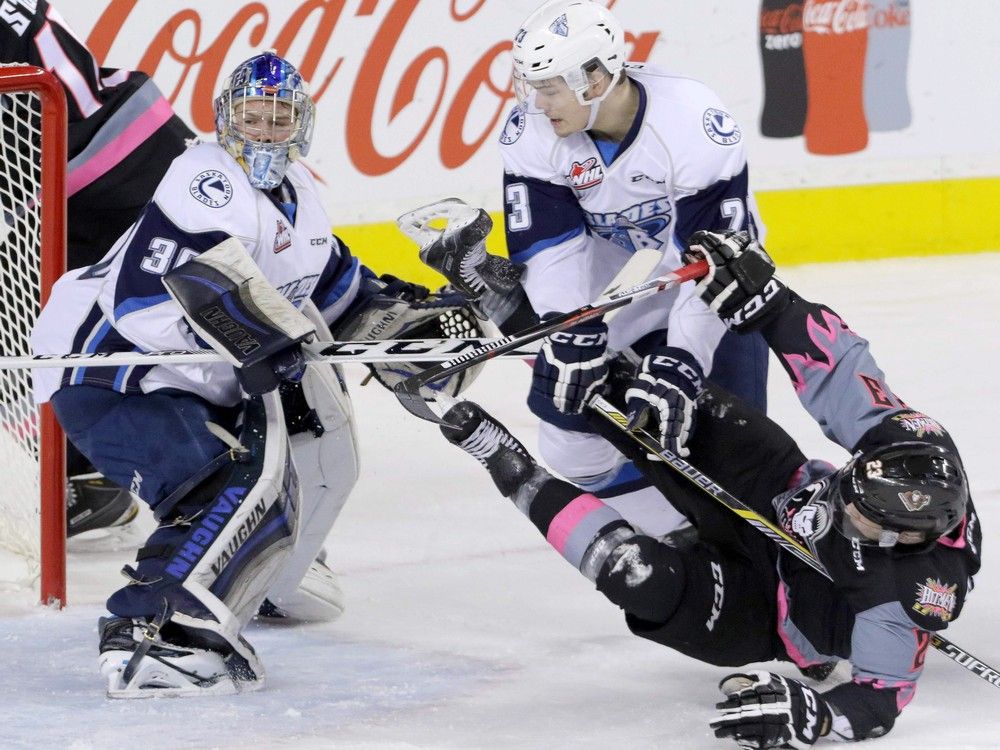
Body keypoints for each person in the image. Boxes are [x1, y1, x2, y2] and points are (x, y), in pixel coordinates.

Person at [29, 51, 482, 697]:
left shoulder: (300, 198)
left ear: (300, 124)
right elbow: (143, 304)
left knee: (282, 470)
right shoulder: (203, 179)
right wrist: (260, 342)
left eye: (278, 118)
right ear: (226, 119)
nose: (264, 130)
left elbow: (340, 294)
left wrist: (407, 333)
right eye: (251, 116)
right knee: (215, 485)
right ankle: (154, 634)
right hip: (114, 371)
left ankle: (261, 576)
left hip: (186, 380)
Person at [436, 229, 981, 746]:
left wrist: (817, 716)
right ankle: (512, 309)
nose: (841, 509)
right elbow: (840, 369)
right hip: (777, 487)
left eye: (859, 521)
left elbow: (878, 702)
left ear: (901, 541)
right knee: (647, 406)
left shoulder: (907, 598)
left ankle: (510, 469)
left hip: (769, 611)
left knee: (638, 576)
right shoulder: (908, 446)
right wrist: (774, 304)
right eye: (848, 493)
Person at [416, 0, 769, 539]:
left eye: (551, 87)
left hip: (712, 290)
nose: (538, 102)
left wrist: (683, 357)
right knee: (565, 422)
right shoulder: (532, 132)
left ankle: (758, 565)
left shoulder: (693, 122)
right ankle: (678, 536)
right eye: (533, 86)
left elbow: (711, 265)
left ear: (597, 77)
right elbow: (552, 247)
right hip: (616, 286)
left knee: (735, 450)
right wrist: (570, 323)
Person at [2, 0, 196, 536]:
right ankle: (89, 480)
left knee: (188, 330)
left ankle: (224, 497)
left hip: (115, 172)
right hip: (88, 174)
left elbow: (46, 105)